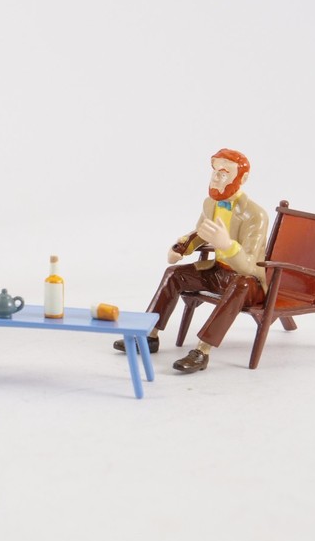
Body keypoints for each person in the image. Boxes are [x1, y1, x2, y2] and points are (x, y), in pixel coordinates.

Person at [114, 149, 268, 373]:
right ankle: (149, 335)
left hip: (247, 281)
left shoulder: (256, 215)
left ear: (242, 179)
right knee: (174, 273)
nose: (216, 177)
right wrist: (182, 248)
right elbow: (201, 233)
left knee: (241, 283)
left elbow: (249, 265)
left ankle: (202, 351)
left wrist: (227, 245)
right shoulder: (211, 204)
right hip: (217, 271)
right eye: (215, 171)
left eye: (224, 173)